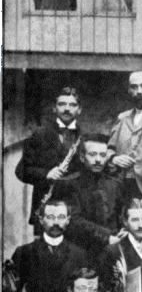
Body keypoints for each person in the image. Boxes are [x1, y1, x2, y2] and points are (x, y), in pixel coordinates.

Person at [15, 87, 84, 234]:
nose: (67, 109)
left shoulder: (85, 138)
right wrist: (46, 174)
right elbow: (21, 171)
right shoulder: (40, 135)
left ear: (79, 110)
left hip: (77, 208)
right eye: (62, 104)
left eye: (72, 105)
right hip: (46, 205)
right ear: (54, 108)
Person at [52, 132, 128, 256]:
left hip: (113, 250)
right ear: (82, 157)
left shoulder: (115, 184)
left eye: (103, 155)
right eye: (92, 154)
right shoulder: (68, 184)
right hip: (80, 252)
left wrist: (124, 231)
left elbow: (121, 215)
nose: (98, 160)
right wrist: (107, 236)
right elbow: (72, 220)